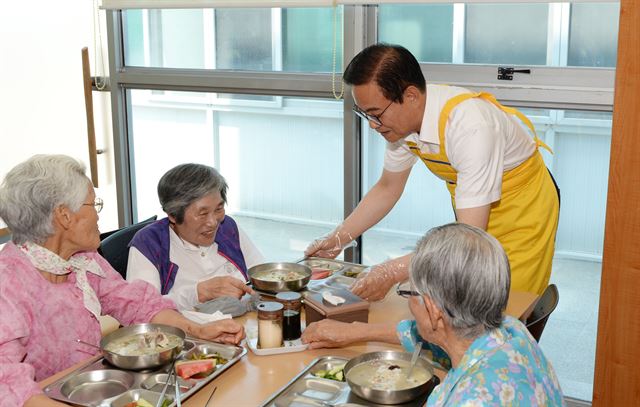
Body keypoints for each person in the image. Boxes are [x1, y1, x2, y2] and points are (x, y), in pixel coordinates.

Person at [305, 44, 560, 300]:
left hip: (524, 214)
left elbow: (466, 240)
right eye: (365, 114)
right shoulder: (401, 126)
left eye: (376, 114)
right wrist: (338, 238)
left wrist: (392, 271)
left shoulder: (470, 126)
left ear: (411, 96)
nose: (372, 125)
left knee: (504, 303)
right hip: (475, 213)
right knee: (464, 298)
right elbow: (387, 188)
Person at [0, 155, 245, 407]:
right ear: (64, 216)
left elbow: (137, 304)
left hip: (96, 387)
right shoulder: (7, 282)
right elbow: (9, 386)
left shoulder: (82, 260)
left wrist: (198, 330)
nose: (98, 217)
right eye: (93, 205)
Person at [303, 223, 564, 406]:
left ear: (433, 310)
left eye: (409, 293)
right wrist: (354, 331)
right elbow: (427, 335)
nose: (409, 304)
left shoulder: (471, 400)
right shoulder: (509, 330)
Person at [127, 163, 264, 312]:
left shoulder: (227, 227)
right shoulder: (149, 243)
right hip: (184, 331)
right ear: (173, 215)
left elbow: (262, 273)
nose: (213, 222)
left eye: (219, 208)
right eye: (203, 214)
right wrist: (197, 293)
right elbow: (141, 309)